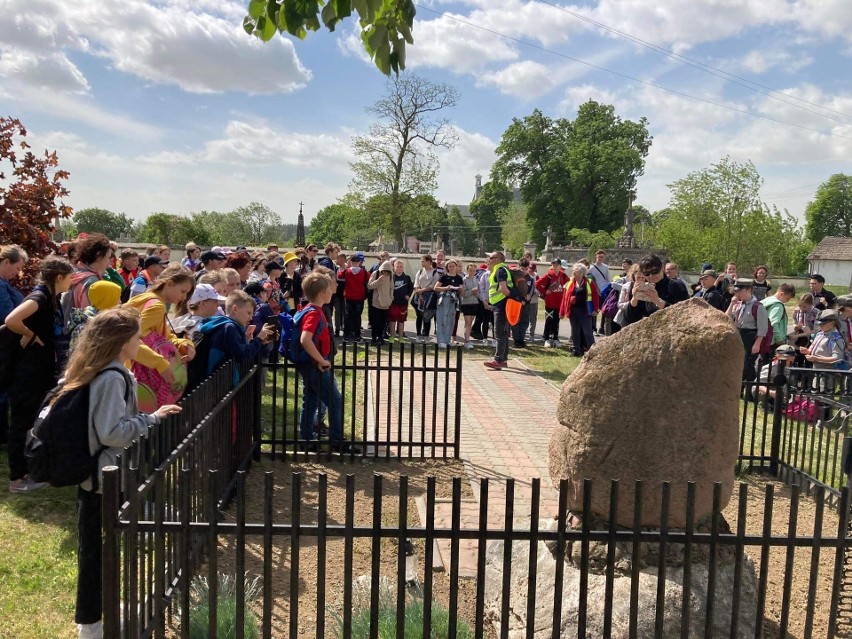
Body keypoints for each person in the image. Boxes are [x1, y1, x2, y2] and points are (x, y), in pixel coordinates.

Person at [69, 308, 182, 639]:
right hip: (103, 478)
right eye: (136, 337)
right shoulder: (112, 377)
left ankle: (102, 611)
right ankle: (90, 624)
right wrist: (152, 418)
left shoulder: (108, 370)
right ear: (122, 342)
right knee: (96, 552)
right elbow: (112, 433)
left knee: (106, 548)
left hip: (104, 475)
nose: (141, 341)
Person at [3, 255, 74, 493]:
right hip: (27, 373)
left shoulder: (51, 297)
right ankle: (16, 479)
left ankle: (29, 470)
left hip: (38, 371)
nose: (72, 282)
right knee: (21, 423)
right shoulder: (40, 295)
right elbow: (12, 319)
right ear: (59, 277)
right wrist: (29, 334)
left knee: (31, 422)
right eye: (70, 277)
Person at [122, 264, 196, 406]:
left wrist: (183, 344)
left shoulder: (147, 297)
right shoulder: (157, 307)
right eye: (183, 291)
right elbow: (129, 337)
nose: (184, 297)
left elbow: (160, 334)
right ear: (169, 283)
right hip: (134, 369)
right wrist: (160, 363)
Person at [294, 271, 352, 453]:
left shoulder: (312, 310)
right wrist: (321, 360)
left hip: (310, 365)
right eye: (329, 289)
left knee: (310, 402)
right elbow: (305, 339)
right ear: (321, 293)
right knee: (335, 401)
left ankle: (306, 439)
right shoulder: (314, 313)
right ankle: (336, 441)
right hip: (316, 366)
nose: (332, 292)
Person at [190, 290, 275, 389]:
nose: (251, 318)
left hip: (215, 381)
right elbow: (242, 355)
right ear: (235, 309)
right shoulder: (230, 328)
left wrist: (258, 342)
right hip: (219, 384)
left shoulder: (223, 324)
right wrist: (259, 338)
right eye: (248, 313)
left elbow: (236, 351)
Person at [622, 254, 690, 325]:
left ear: (662, 268)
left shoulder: (676, 285)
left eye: (654, 271)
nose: (651, 276)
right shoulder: (641, 286)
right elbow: (629, 319)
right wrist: (634, 299)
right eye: (646, 273)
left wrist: (658, 301)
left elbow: (684, 314)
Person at [726, 278, 769, 385]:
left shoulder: (758, 306)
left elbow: (763, 328)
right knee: (738, 364)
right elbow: (726, 318)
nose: (737, 293)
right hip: (738, 335)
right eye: (735, 291)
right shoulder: (739, 304)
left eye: (740, 291)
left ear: (749, 290)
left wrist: (757, 344)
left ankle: (749, 390)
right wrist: (731, 304)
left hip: (750, 337)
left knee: (747, 365)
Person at [561, 263, 600, 357]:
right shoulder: (570, 283)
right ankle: (576, 350)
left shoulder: (589, 282)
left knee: (587, 332)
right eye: (574, 269)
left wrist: (595, 309)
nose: (574, 271)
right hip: (573, 311)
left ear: (582, 272)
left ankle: (593, 351)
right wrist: (562, 311)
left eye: (576, 270)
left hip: (585, 311)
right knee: (575, 331)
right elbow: (564, 298)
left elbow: (595, 297)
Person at [484, 251, 513, 370]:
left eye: (491, 258)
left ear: (498, 259)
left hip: (501, 304)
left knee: (499, 333)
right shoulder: (500, 269)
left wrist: (513, 298)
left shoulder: (500, 270)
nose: (489, 260)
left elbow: (504, 289)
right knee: (503, 333)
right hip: (501, 304)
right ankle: (504, 359)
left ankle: (498, 360)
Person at [536, 258, 568, 348]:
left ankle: (555, 338)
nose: (554, 266)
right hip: (549, 303)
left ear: (560, 266)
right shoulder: (548, 276)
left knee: (556, 321)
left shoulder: (564, 276)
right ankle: (546, 338)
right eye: (553, 264)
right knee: (549, 320)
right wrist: (545, 291)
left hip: (559, 303)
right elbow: (537, 284)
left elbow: (569, 285)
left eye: (556, 265)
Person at [434, 259, 463, 348]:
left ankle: (447, 340)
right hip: (444, 299)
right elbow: (436, 288)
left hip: (454, 300)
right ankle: (441, 340)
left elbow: (461, 291)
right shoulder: (443, 277)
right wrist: (446, 288)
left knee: (451, 320)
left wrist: (460, 289)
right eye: (450, 266)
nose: (452, 268)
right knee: (442, 319)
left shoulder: (459, 278)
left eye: (453, 266)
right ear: (447, 268)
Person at [762, 283, 796, 353]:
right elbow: (773, 324)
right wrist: (779, 340)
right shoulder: (778, 306)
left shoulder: (766, 301)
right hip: (773, 342)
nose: (787, 301)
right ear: (781, 294)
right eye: (787, 298)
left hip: (763, 339)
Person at [413, 254, 439, 343]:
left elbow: (433, 285)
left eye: (423, 261)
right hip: (419, 297)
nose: (421, 263)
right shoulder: (419, 272)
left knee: (427, 316)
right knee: (419, 316)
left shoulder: (435, 273)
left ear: (428, 262)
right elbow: (416, 284)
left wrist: (423, 290)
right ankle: (418, 335)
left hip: (429, 298)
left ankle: (426, 335)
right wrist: (419, 294)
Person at [367, 260, 393, 345]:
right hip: (376, 302)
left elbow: (391, 288)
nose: (385, 273)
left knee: (383, 322)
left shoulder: (391, 276)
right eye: (384, 271)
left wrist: (391, 298)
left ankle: (380, 337)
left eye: (387, 271)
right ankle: (374, 338)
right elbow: (369, 286)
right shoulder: (376, 273)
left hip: (386, 303)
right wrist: (378, 281)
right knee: (375, 322)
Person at [388, 259, 413, 343]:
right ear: (394, 267)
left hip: (403, 304)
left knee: (401, 321)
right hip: (393, 303)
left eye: (401, 267)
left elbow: (410, 288)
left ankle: (401, 337)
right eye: (397, 266)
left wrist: (408, 295)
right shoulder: (391, 277)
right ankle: (392, 337)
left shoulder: (407, 278)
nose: (399, 268)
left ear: (403, 268)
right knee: (392, 320)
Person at [588, 250, 610, 335]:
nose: (600, 258)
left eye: (602, 257)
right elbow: (589, 279)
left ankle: (602, 328)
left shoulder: (605, 267)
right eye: (599, 257)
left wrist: (607, 290)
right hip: (595, 292)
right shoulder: (591, 268)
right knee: (595, 310)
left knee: (604, 310)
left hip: (604, 292)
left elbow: (608, 279)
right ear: (596, 257)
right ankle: (593, 328)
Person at [460, 263, 480, 349]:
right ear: (467, 270)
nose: (472, 272)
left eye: (474, 270)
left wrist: (477, 293)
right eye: (470, 270)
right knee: (467, 322)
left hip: (475, 303)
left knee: (470, 323)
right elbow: (462, 293)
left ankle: (467, 338)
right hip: (466, 303)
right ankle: (467, 341)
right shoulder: (464, 280)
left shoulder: (477, 279)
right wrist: (471, 291)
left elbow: (479, 292)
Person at [526, 261, 540, 342]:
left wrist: (535, 291)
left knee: (532, 319)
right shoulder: (525, 276)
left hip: (533, 301)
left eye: (531, 269)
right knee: (524, 318)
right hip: (525, 301)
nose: (530, 271)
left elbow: (540, 290)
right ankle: (524, 333)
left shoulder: (537, 277)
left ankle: (532, 335)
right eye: (529, 269)